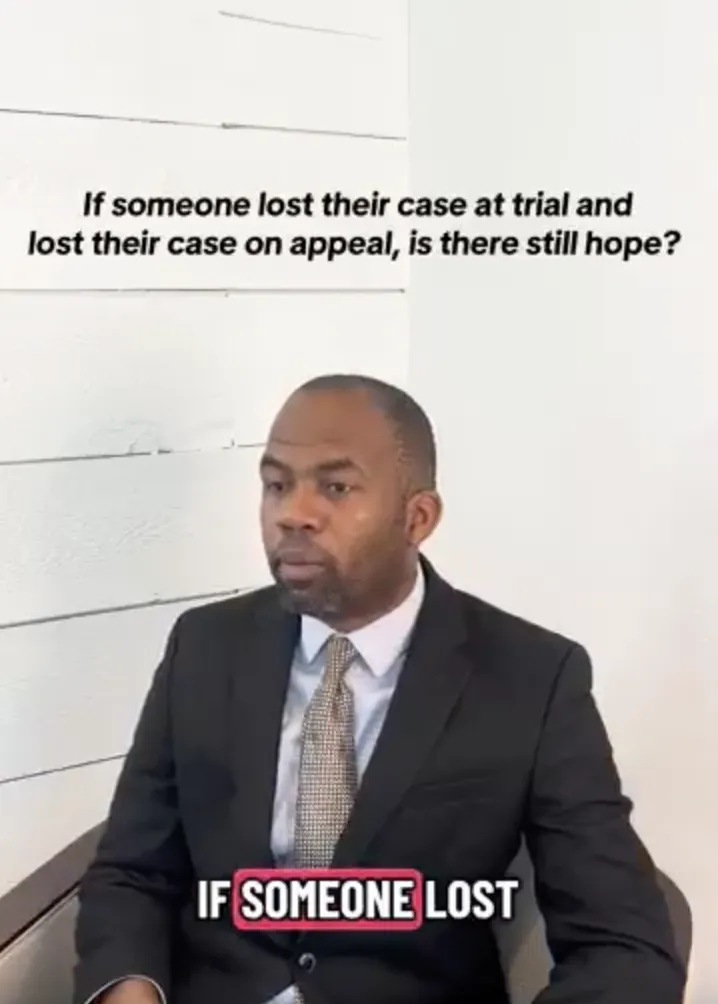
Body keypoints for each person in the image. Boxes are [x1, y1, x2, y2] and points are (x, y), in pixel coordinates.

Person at [74, 374, 685, 1004]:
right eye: (277, 484)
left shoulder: (531, 678)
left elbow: (624, 946)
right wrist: (127, 989)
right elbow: (132, 870)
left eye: (335, 487)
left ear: (417, 517)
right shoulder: (203, 647)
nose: (293, 513)